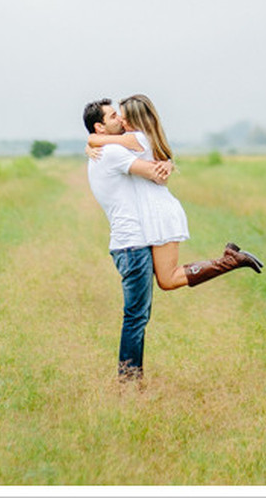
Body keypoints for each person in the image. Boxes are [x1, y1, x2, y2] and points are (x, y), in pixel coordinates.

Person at [87, 94, 263, 293]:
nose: (121, 120)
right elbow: (159, 177)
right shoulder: (142, 139)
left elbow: (99, 139)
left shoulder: (136, 138)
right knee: (166, 280)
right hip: (156, 212)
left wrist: (91, 140)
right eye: (118, 116)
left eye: (125, 118)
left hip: (160, 213)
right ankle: (229, 259)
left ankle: (230, 261)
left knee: (168, 279)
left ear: (137, 120)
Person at [83, 98, 173, 383]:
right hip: (132, 244)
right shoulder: (110, 152)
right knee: (135, 318)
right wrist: (164, 166)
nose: (120, 120)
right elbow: (154, 175)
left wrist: (166, 163)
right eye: (113, 116)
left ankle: (132, 381)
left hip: (129, 243)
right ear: (100, 126)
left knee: (138, 317)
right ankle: (130, 384)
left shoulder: (103, 149)